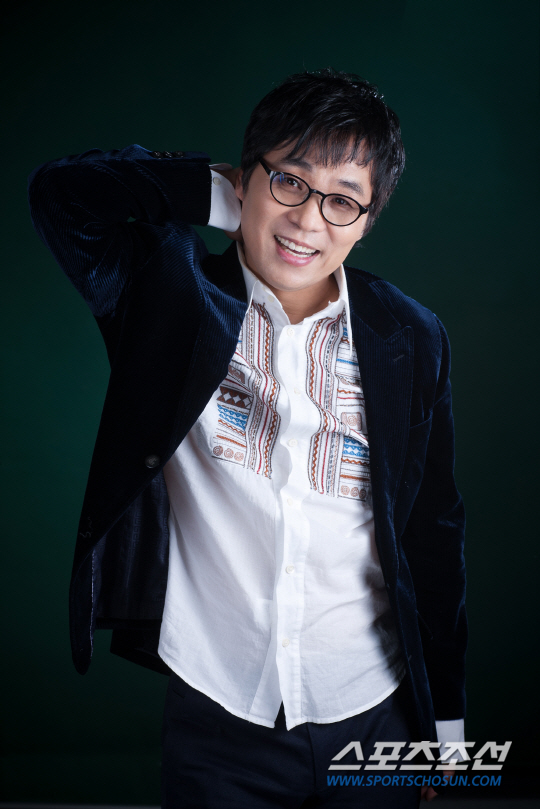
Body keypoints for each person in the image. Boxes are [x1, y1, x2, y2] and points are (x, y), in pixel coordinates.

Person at [28, 68, 467, 807]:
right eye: (289, 181)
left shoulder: (410, 335)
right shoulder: (167, 297)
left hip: (373, 705)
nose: (307, 221)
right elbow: (59, 195)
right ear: (247, 177)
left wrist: (444, 728)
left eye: (342, 201)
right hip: (218, 717)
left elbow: (434, 531)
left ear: (366, 219)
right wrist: (204, 193)